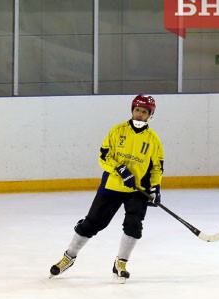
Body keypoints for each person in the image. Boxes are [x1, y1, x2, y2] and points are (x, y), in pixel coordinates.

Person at [49, 94, 164, 283]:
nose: (139, 114)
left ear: (150, 115)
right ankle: (69, 257)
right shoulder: (117, 131)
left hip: (137, 190)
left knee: (134, 226)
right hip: (111, 186)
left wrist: (154, 189)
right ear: (132, 110)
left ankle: (121, 263)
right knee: (91, 224)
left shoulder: (153, 140)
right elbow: (104, 157)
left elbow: (157, 168)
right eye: (137, 110)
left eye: (144, 112)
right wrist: (120, 169)